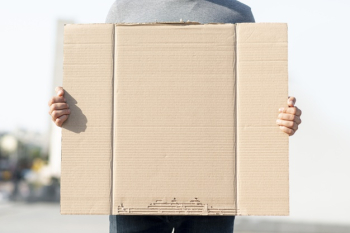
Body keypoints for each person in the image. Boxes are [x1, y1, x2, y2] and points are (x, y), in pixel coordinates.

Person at [48, 1, 302, 232]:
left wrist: (281, 119)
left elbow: (254, 97)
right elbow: (102, 91)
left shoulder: (236, 13)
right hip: (134, 190)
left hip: (212, 193)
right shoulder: (124, 9)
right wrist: (68, 112)